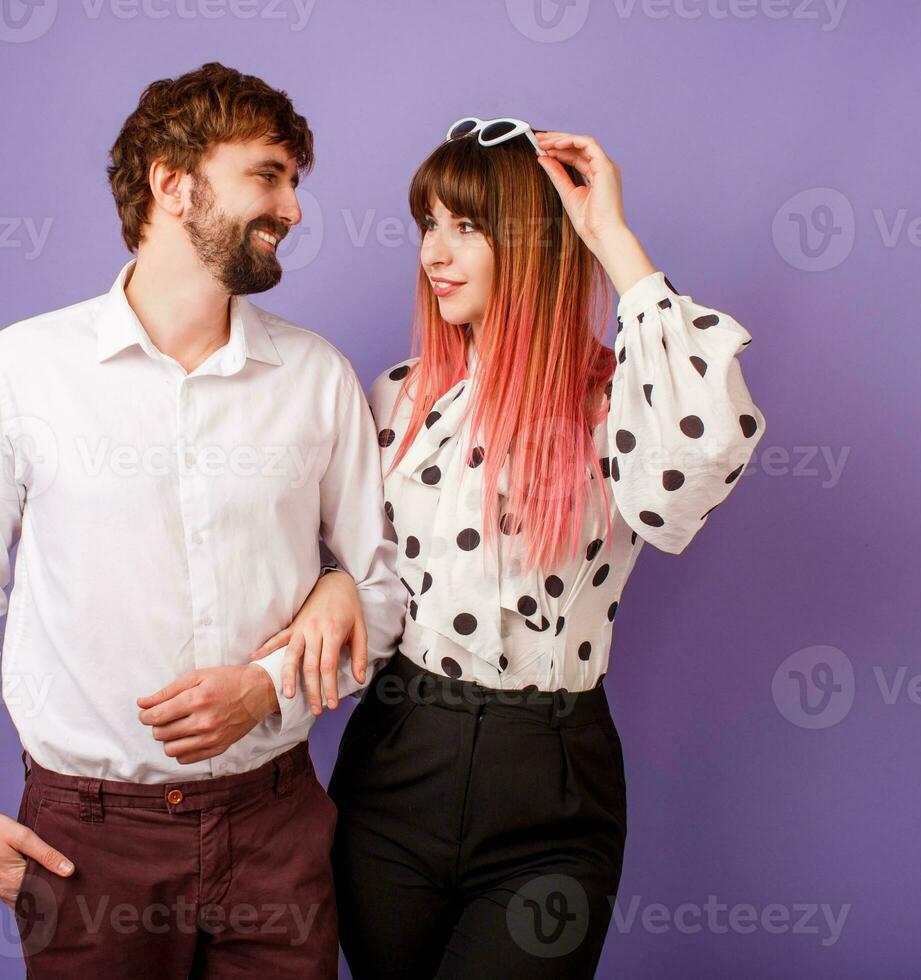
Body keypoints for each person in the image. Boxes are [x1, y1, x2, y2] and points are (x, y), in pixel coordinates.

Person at [0, 63, 400, 978]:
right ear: (173, 183)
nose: (293, 207)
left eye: (296, 182)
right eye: (269, 175)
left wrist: (269, 683)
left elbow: (381, 590)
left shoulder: (318, 377)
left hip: (277, 826)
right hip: (88, 843)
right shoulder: (20, 371)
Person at [254, 117, 768, 977]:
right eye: (428, 224)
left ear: (535, 244)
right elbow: (332, 565)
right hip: (397, 764)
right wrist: (334, 584)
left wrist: (608, 234)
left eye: (467, 226)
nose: (435, 253)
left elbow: (704, 449)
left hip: (553, 783)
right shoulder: (394, 400)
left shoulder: (616, 400)